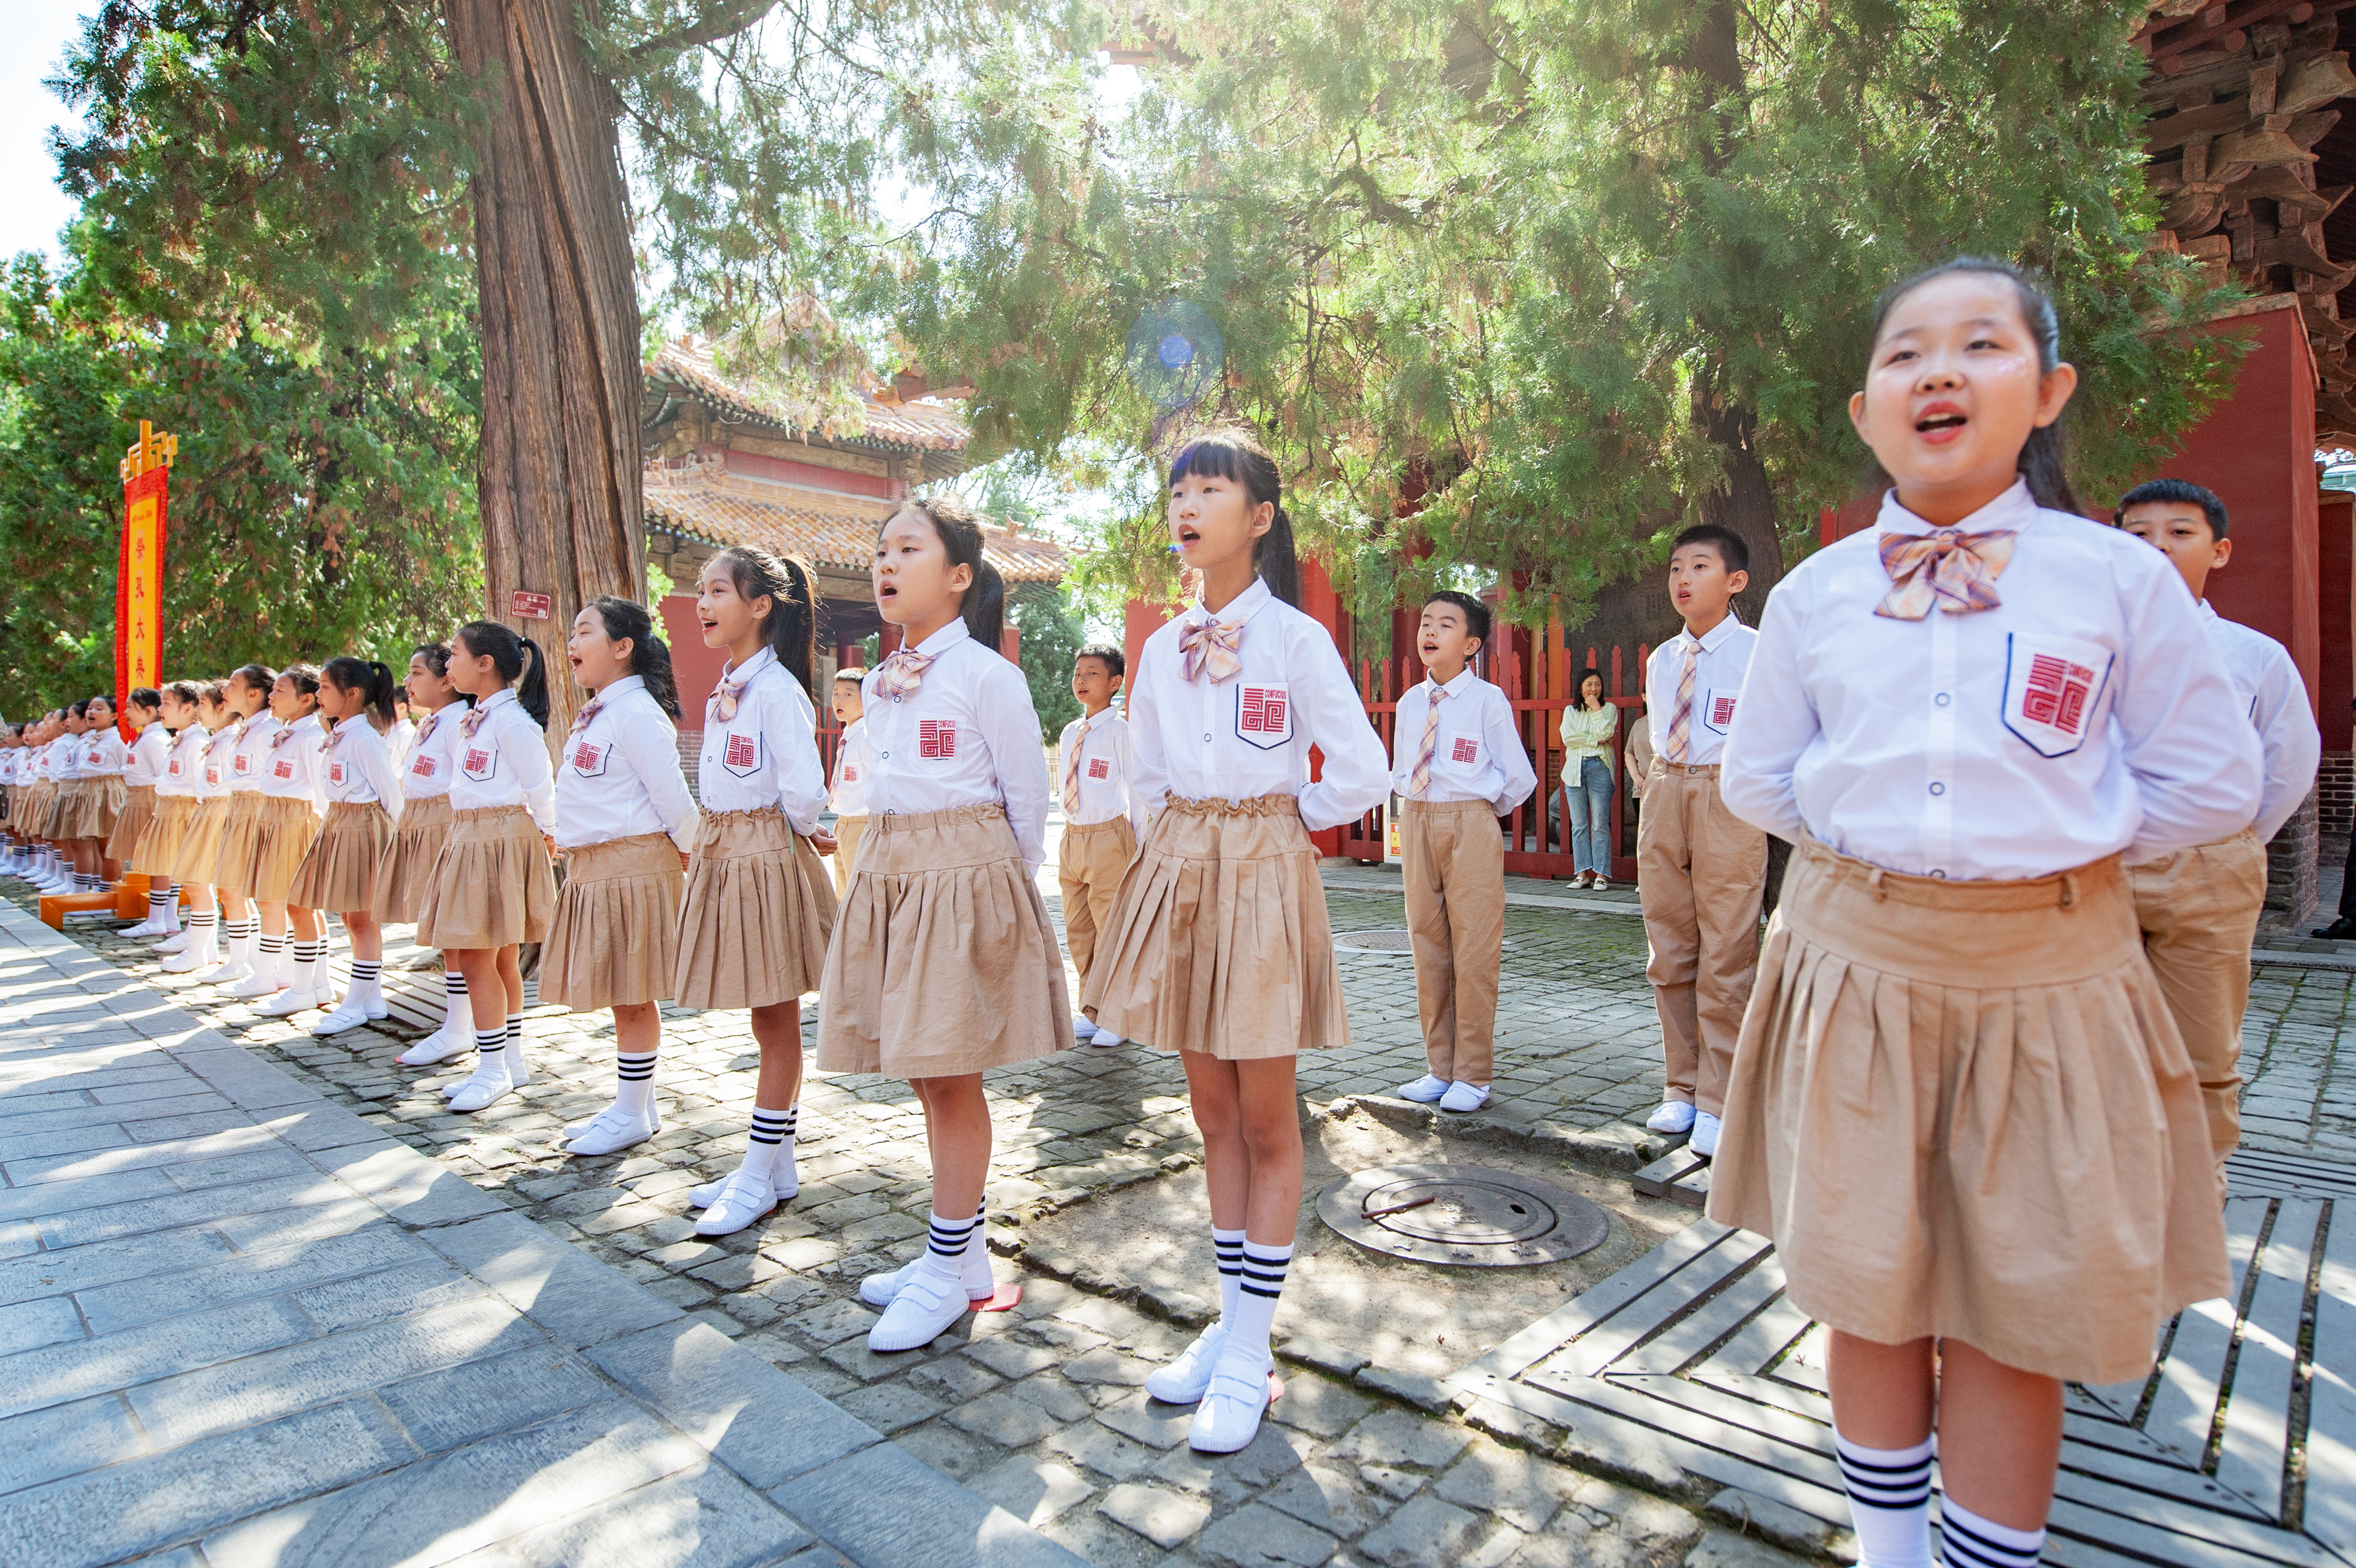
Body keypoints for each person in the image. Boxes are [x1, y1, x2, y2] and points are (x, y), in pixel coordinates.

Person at [1714, 257, 2257, 1568]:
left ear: (2048, 390)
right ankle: (1893, 1554)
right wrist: (1875, 865)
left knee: (2021, 1304)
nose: (1939, 371)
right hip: (1853, 966)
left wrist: (2053, 850)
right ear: (1865, 411)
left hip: (2057, 979)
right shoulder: (1815, 595)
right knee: (1870, 1288)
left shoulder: (2114, 582)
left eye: (1979, 345)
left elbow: (2213, 777)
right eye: (1905, 354)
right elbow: (1758, 777)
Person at [1083, 427, 1389, 1454]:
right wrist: (1181, 847)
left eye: (1210, 487)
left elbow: (1359, 770)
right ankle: (1230, 1325)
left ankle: (1253, 1354)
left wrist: (1275, 813)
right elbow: (1149, 772)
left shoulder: (1296, 639)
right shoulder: (1162, 647)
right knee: (1207, 1110)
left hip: (1262, 870)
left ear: (1257, 518)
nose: (1187, 502)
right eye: (1177, 487)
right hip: (1181, 869)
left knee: (1266, 1116)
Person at [816, 496, 1070, 1352]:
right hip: (891, 874)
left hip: (960, 885)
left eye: (908, 549)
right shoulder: (884, 685)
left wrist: (999, 895)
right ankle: (958, 1255)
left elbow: (1025, 803)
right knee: (925, 1073)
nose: (885, 563)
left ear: (958, 576)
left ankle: (945, 1264)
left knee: (951, 1075)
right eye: (880, 547)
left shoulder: (986, 677)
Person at [2114, 478, 2321, 1195]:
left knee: (2203, 1036)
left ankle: (2196, 1182)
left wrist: (2227, 844)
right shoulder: (2080, 653)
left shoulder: (2252, 657)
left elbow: (2289, 763)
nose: (2157, 549)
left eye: (2179, 533)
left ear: (2219, 550)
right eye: (2137, 535)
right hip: (2093, 870)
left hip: (2208, 873)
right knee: (2082, 1030)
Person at [676, 548, 838, 1234]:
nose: (702, 604)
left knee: (774, 1021)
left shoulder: (773, 690)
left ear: (760, 605)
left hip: (765, 858)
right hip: (728, 853)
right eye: (700, 591)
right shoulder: (733, 684)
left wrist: (817, 829)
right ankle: (774, 1164)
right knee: (763, 1018)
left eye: (717, 591)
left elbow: (802, 787)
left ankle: (759, 1170)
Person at [545, 596, 700, 1157]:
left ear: (621, 646)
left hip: (631, 868)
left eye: (584, 632)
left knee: (632, 994)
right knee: (620, 993)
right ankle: (635, 1101)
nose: (571, 644)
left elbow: (674, 800)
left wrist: (699, 863)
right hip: (599, 870)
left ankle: (633, 1111)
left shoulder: (635, 714)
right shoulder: (606, 712)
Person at [1637, 522, 1767, 1159]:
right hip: (1666, 790)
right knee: (1668, 946)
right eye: (1674, 569)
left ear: (1735, 581)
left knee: (1727, 950)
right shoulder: (1662, 660)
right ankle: (1680, 1087)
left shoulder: (1760, 654)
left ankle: (1721, 1098)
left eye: (1699, 567)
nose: (1682, 580)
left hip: (1729, 796)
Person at [1389, 590, 1537, 1114]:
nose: (1429, 631)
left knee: (1474, 949)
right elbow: (1403, 767)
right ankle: (1439, 1067)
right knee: (1427, 944)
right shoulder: (1410, 703)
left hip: (1469, 821)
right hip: (1417, 819)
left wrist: (1474, 811)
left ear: (1471, 643)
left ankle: (1473, 1074)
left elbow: (1518, 778)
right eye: (1425, 621)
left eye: (1445, 624)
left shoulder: (1487, 700)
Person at [412, 622, 557, 1112]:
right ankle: (509, 1061)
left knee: (479, 955)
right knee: (493, 957)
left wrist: (548, 831)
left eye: (454, 654)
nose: (448, 663)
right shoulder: (476, 719)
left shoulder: (512, 722)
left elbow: (541, 784)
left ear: (485, 664)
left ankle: (493, 1067)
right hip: (472, 834)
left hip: (498, 836)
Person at [290, 658, 406, 1035]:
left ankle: (354, 1002)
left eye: (325, 687)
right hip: (340, 823)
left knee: (362, 917)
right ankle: (370, 998)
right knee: (349, 915)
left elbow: (391, 796)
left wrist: (396, 842)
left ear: (352, 694)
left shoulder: (365, 738)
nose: (318, 694)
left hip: (362, 827)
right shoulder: (340, 733)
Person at [379, 643, 475, 1065]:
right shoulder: (433, 723)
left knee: (453, 929)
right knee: (441, 930)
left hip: (444, 825)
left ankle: (459, 1027)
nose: (408, 682)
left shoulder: (459, 724)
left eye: (417, 673)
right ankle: (456, 1023)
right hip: (421, 824)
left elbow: (462, 785)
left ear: (446, 680)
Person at [1057, 643, 1142, 1048]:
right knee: (1080, 930)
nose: (1081, 680)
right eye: (1077, 673)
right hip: (1072, 838)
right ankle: (1090, 1011)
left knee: (1113, 930)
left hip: (1110, 836)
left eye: (1092, 673)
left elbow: (1137, 793)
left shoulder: (1121, 733)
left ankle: (1118, 1015)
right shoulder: (1071, 732)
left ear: (1115, 682)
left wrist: (1141, 846)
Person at [246, 666, 331, 1015]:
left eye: (280, 690)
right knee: (298, 905)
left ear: (306, 699)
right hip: (276, 817)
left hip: (296, 820)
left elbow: (321, 791)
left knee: (300, 905)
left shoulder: (310, 736)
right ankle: (316, 983)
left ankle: (303, 987)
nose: (271, 696)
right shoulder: (289, 733)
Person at [200, 666, 280, 988]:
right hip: (238, 809)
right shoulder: (248, 729)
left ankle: (267, 967)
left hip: (256, 810)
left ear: (254, 693)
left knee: (264, 895)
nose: (225, 690)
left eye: (233, 684)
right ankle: (240, 960)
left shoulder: (267, 731)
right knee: (230, 888)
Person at [162, 683, 234, 975]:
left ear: (221, 708)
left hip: (216, 810)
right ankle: (203, 948)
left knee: (201, 882)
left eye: (202, 705)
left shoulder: (226, 740)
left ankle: (200, 950)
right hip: (208, 809)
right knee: (196, 881)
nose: (198, 712)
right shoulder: (218, 738)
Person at [127, 683, 200, 939]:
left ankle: (166, 920)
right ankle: (166, 919)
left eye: (167, 703)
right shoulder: (179, 738)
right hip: (170, 804)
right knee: (163, 861)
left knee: (169, 863)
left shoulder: (193, 740)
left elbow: (197, 782)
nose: (161, 709)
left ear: (188, 708)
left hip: (181, 807)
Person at [110, 688, 170, 927]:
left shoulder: (155, 740)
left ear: (149, 711)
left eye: (130, 708)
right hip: (138, 798)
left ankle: (159, 919)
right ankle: (164, 917)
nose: (125, 713)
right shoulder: (145, 736)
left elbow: (162, 775)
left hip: (150, 800)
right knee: (153, 861)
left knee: (160, 860)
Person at [1558, 670, 1618, 889]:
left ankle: (1601, 874)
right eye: (1589, 684)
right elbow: (1568, 738)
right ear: (1580, 687)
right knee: (1579, 824)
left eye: (1598, 684)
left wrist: (1596, 710)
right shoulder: (1570, 711)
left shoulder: (1608, 709)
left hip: (1599, 768)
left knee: (1600, 823)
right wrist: (1596, 741)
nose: (1594, 689)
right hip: (1574, 769)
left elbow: (1606, 733)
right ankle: (1582, 873)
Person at [828, 668, 872, 898]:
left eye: (848, 694)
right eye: (836, 693)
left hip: (861, 825)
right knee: (842, 895)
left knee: (858, 896)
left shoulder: (866, 737)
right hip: (842, 824)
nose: (838, 700)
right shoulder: (849, 736)